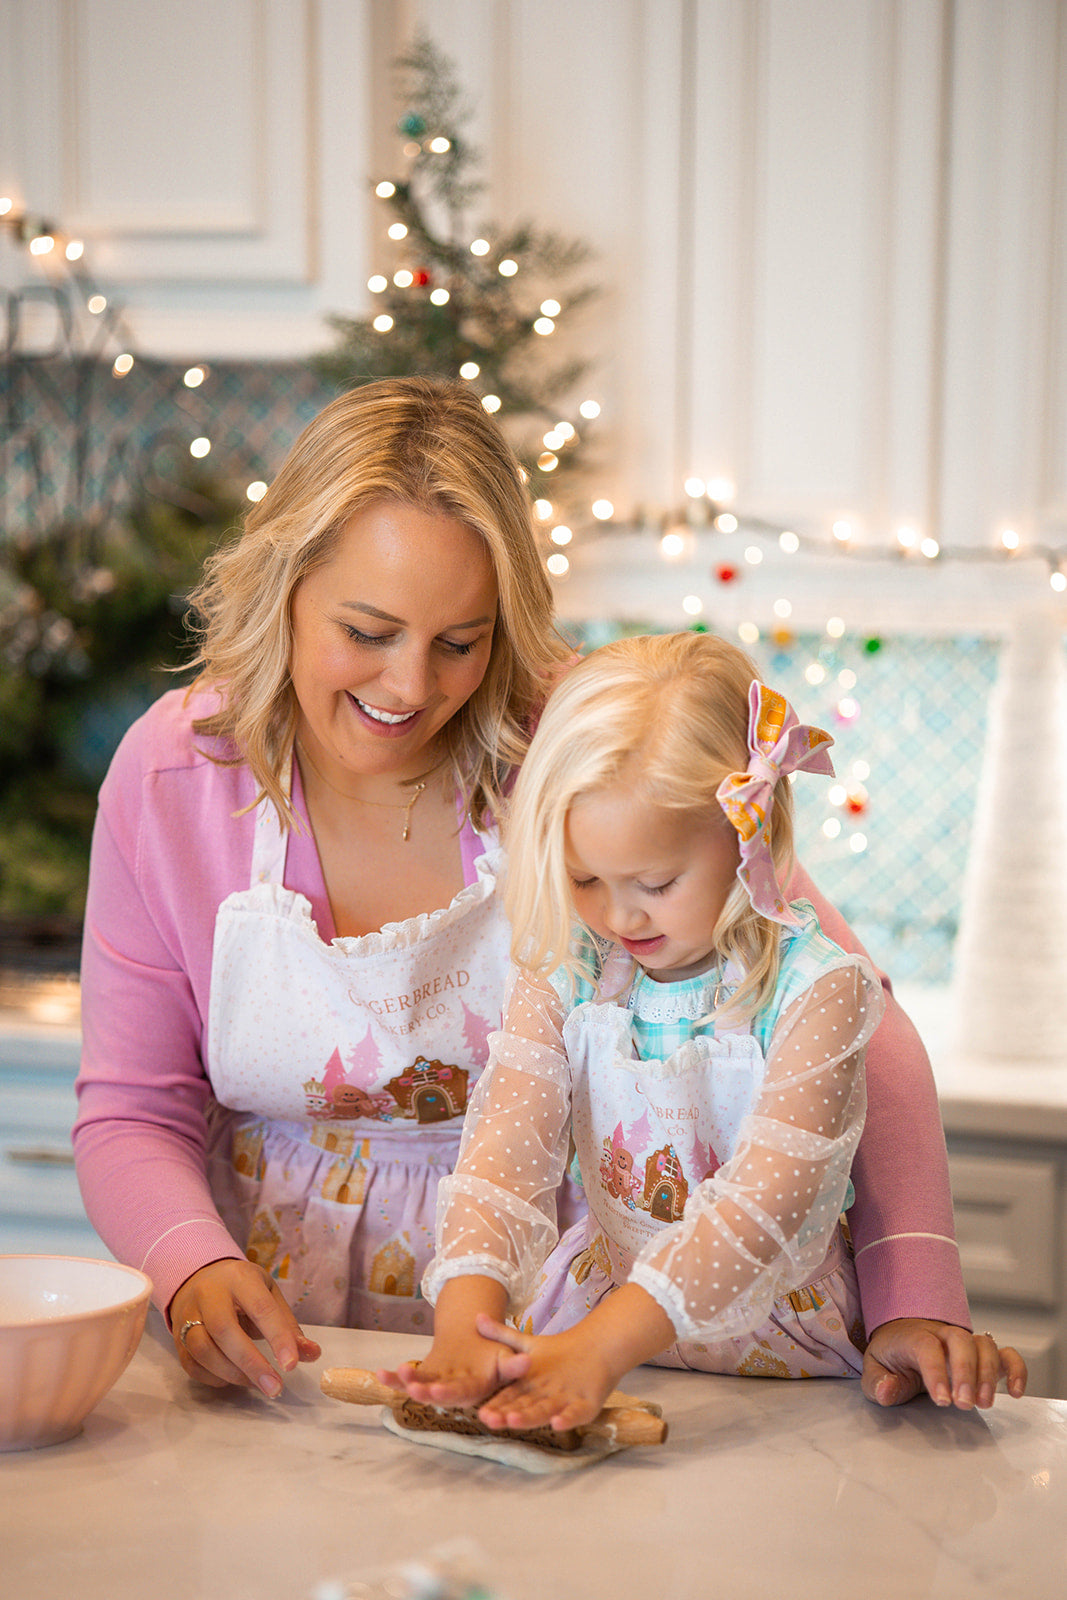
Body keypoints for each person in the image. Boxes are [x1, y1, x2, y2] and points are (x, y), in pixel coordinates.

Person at [72, 377, 1021, 1409]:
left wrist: (911, 1289)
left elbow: (839, 1006)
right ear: (285, 585)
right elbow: (130, 1106)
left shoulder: (576, 745)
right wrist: (190, 1266)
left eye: (459, 642)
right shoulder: (176, 776)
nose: (409, 689)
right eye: (367, 630)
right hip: (277, 1338)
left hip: (565, 1331)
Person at [384, 633, 1026, 1431]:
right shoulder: (567, 970)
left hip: (779, 1366)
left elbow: (765, 1211)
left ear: (747, 838)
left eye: (655, 883)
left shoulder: (816, 991)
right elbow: (503, 1160)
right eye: (584, 879)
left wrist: (601, 1350)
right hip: (587, 1331)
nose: (617, 916)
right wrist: (465, 1324)